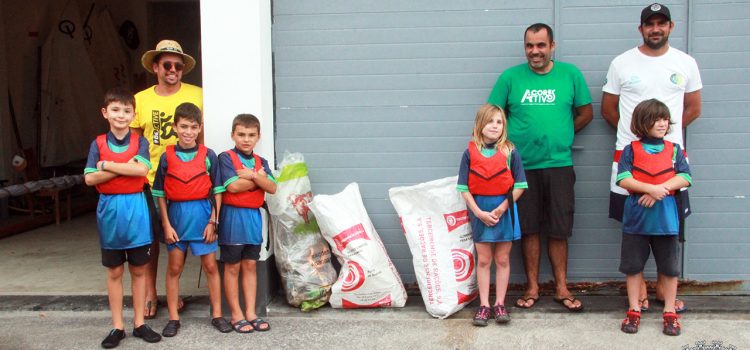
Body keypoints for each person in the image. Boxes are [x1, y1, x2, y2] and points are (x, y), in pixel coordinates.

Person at [601, 3, 702, 313]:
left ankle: (664, 291)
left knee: (668, 226)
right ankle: (639, 290)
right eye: (649, 24)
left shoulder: (685, 63)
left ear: (670, 27)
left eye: (661, 23)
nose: (655, 29)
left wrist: (663, 140)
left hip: (669, 165)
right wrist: (639, 141)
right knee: (633, 225)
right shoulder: (621, 63)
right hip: (630, 161)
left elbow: (693, 108)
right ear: (641, 28)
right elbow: (609, 110)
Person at [487, 23, 592, 311]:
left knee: (559, 228)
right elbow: (492, 115)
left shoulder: (570, 75)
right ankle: (532, 287)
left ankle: (561, 287)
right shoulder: (510, 78)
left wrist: (566, 134)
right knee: (529, 228)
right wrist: (505, 145)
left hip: (559, 164)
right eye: (530, 46)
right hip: (521, 168)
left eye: (541, 45)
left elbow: (586, 112)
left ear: (552, 46)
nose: (535, 51)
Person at [130, 39, 203, 318]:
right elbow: (134, 144)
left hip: (187, 179)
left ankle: (172, 289)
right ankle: (150, 292)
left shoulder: (199, 94)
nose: (173, 70)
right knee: (150, 240)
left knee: (178, 237)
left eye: (178, 65)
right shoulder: (141, 99)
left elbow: (202, 136)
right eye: (167, 65)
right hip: (149, 181)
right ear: (155, 67)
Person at [84, 88, 162, 348]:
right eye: (115, 110)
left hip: (137, 208)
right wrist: (124, 170)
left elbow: (141, 169)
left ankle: (139, 322)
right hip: (110, 210)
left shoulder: (140, 141)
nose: (121, 115)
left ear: (133, 114)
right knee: (115, 270)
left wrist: (106, 166)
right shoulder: (98, 143)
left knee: (139, 269)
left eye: (127, 111)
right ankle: (118, 326)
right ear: (105, 113)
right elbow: (89, 178)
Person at [151, 103, 231, 336]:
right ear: (175, 126)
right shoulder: (166, 157)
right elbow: (160, 195)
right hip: (176, 219)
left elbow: (217, 191)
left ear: (200, 129)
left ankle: (217, 314)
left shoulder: (209, 156)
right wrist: (166, 224)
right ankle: (173, 318)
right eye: (183, 126)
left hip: (203, 217)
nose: (188, 131)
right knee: (175, 267)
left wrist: (213, 222)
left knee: (210, 266)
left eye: (193, 127)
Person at [616, 99, 690, 336]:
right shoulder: (630, 150)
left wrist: (659, 190)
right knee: (633, 266)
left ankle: (669, 312)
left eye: (665, 118)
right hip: (636, 221)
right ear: (642, 122)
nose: (662, 123)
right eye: (656, 119)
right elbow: (624, 179)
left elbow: (686, 177)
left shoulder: (675, 149)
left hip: (666, 221)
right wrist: (650, 188)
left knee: (669, 269)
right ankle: (634, 309)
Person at [457, 104, 526, 326]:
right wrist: (478, 213)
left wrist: (501, 208)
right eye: (490, 121)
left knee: (502, 258)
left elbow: (520, 185)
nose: (495, 126)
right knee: (484, 259)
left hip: (504, 210)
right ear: (480, 124)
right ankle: (484, 305)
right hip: (480, 211)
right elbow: (463, 188)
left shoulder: (510, 151)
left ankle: (500, 304)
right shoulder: (469, 153)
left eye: (499, 122)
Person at [218, 114, 277, 333]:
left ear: (258, 137)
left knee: (250, 265)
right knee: (232, 267)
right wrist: (258, 179)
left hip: (253, 218)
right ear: (233, 135)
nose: (246, 139)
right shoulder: (225, 158)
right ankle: (236, 314)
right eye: (241, 134)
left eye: (251, 135)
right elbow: (231, 187)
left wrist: (250, 175)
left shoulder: (261, 162)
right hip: (232, 218)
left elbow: (272, 188)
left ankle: (251, 312)